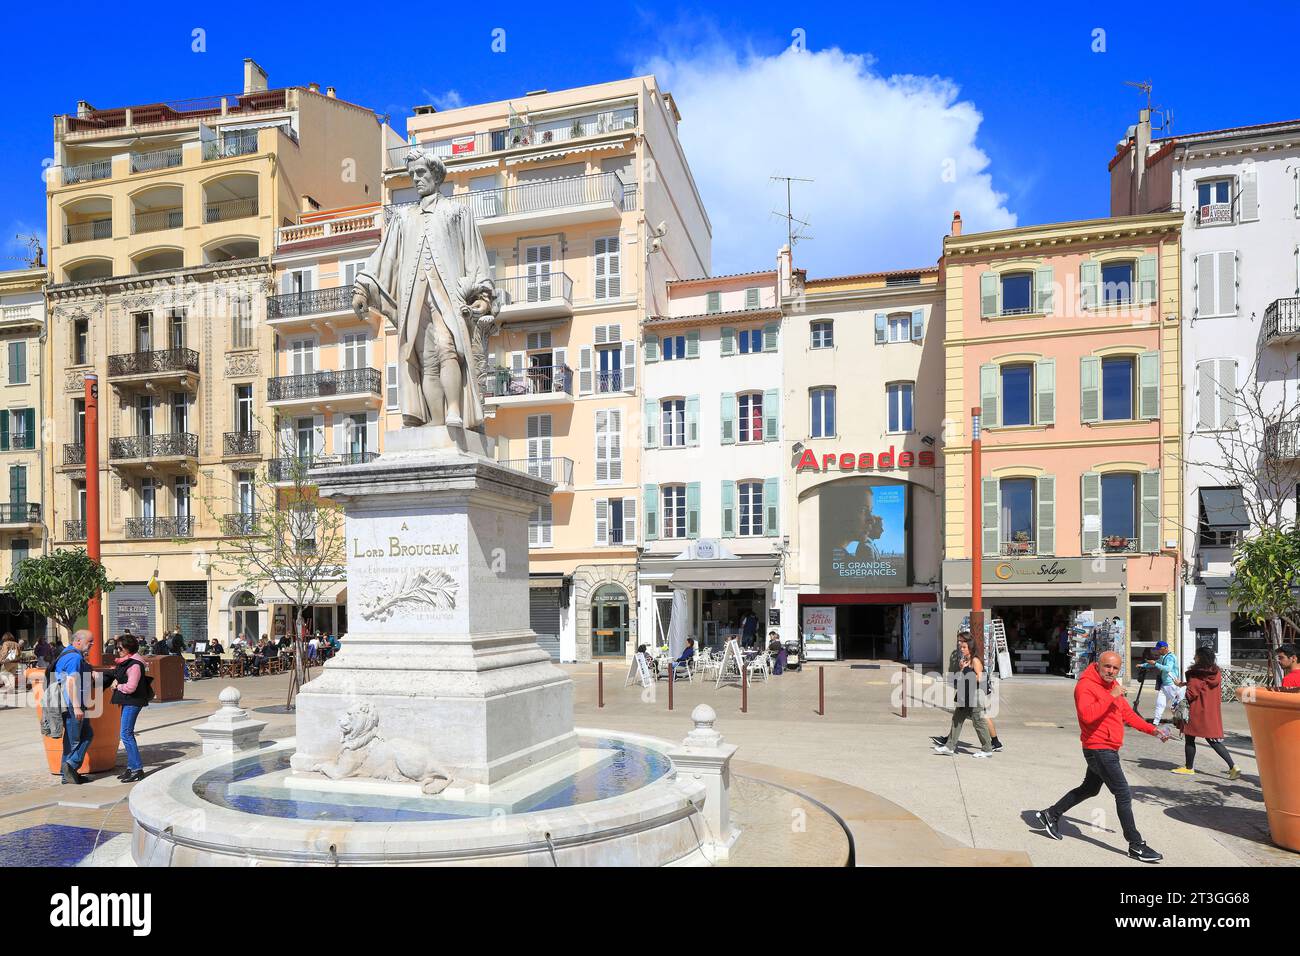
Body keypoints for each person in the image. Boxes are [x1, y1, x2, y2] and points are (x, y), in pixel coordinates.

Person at [1031, 650, 1171, 863]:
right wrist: (1111, 695)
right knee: (1123, 792)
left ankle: (1051, 814)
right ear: (1098, 665)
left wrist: (1153, 730)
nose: (1111, 671)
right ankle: (1136, 844)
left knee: (1090, 789)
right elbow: (1087, 716)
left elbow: (1127, 715)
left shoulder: (1111, 687)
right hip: (1099, 748)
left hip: (1108, 748)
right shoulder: (1085, 686)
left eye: (1115, 668)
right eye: (1107, 666)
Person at [1170, 647, 1240, 779]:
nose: (1194, 658)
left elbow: (1192, 693)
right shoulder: (1215, 671)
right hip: (1210, 711)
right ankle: (1233, 766)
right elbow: (1203, 685)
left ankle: (1189, 767)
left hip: (1197, 710)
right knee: (1213, 740)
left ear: (1200, 657)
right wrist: (1184, 683)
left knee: (1189, 738)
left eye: (1195, 655)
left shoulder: (1197, 673)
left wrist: (1182, 695)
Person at [934, 634, 994, 758]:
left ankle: (987, 748)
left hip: (975, 694)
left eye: (964, 647)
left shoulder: (975, 660)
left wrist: (966, 671)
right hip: (965, 693)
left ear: (970, 648)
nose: (961, 649)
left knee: (978, 721)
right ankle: (950, 746)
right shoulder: (966, 660)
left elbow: (979, 677)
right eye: (961, 647)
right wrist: (962, 669)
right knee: (957, 718)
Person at [53, 630, 98, 785]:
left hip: (69, 703)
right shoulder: (75, 658)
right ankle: (70, 766)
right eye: (90, 641)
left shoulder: (68, 652)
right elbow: (71, 682)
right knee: (78, 738)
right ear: (78, 641)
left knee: (73, 739)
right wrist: (77, 707)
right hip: (74, 704)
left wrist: (90, 670)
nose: (92, 644)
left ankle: (68, 774)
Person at [110, 635, 149, 783]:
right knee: (126, 733)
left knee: (126, 734)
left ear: (129, 648)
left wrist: (117, 686)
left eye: (120, 648)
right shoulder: (127, 661)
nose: (117, 650)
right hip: (128, 701)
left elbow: (131, 687)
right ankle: (131, 767)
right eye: (117, 647)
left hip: (132, 701)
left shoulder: (134, 665)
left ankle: (137, 769)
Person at [1150, 641, 1183, 724]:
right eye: (1157, 649)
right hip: (1164, 685)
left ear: (1165, 648)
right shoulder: (1163, 656)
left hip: (1171, 685)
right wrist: (1143, 665)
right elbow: (1156, 663)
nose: (1158, 651)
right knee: (1160, 704)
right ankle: (1155, 722)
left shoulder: (1170, 657)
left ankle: (1183, 720)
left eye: (1159, 649)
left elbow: (1168, 668)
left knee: (1176, 705)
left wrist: (1155, 664)